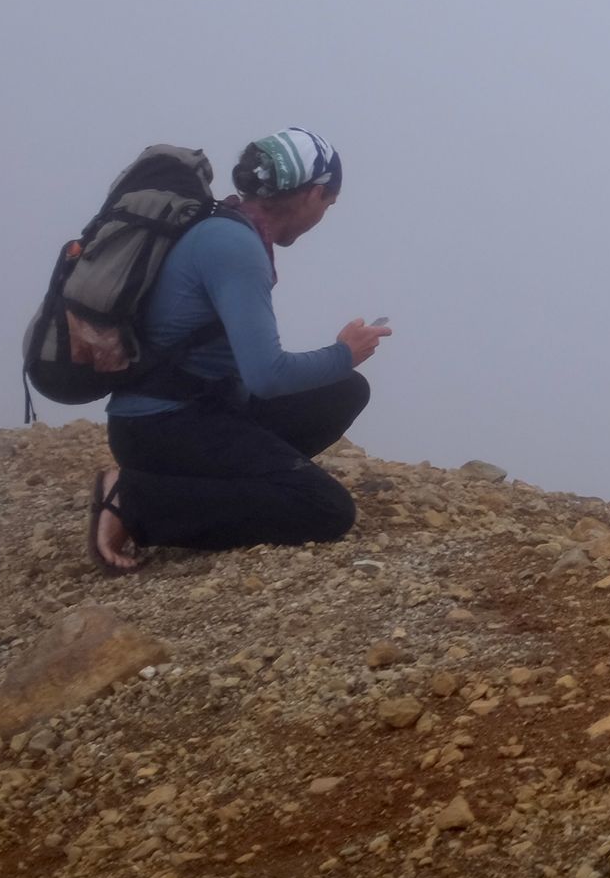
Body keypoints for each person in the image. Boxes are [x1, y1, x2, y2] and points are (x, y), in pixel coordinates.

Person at [88, 127, 390, 573]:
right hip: (162, 426)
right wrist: (344, 351)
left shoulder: (227, 228)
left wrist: (342, 366)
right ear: (313, 194)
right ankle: (134, 501)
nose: (324, 214)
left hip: (192, 410)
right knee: (326, 509)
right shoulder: (235, 247)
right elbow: (266, 375)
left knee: (344, 390)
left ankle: (230, 484)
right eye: (328, 203)